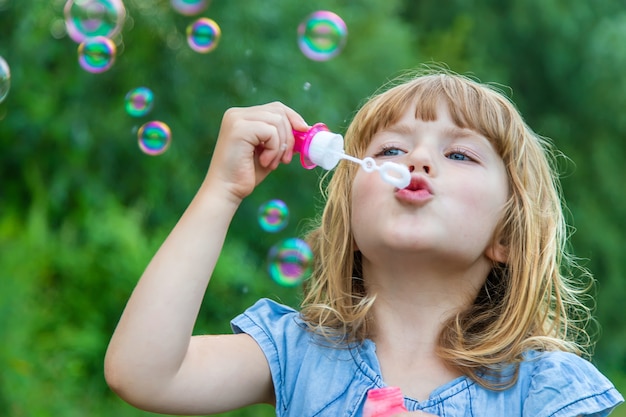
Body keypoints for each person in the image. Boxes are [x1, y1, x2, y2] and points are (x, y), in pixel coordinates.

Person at [104, 68, 624, 416]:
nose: (416, 162)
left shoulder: (546, 391)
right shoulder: (299, 354)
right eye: (392, 148)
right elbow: (144, 374)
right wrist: (222, 190)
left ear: (506, 235)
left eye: (460, 154)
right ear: (349, 215)